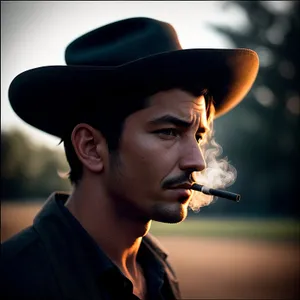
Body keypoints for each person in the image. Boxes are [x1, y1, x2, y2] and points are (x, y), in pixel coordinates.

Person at [1, 17, 259, 300]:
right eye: (169, 132)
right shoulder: (14, 280)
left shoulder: (158, 273)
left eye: (198, 136)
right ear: (90, 147)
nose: (197, 162)